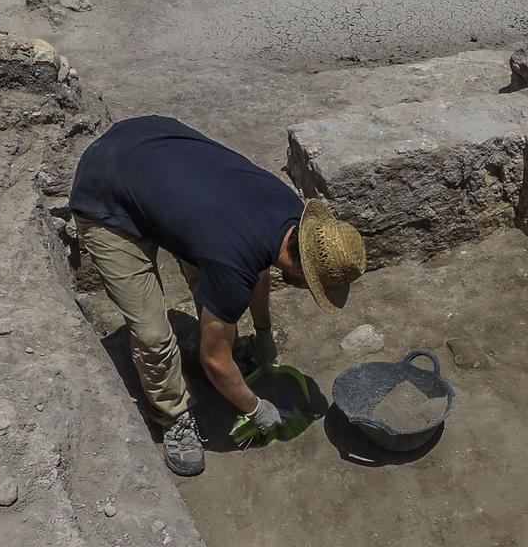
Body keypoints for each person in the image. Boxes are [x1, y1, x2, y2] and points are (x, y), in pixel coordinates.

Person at [69, 115, 367, 477]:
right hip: (105, 195)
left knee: (212, 272)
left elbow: (259, 268)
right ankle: (172, 415)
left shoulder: (289, 215)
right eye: (315, 283)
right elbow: (214, 360)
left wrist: (262, 333)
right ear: (300, 262)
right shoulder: (233, 261)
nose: (312, 290)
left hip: (147, 143)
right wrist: (257, 409)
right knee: (153, 335)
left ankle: (226, 347)